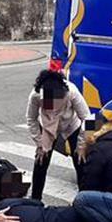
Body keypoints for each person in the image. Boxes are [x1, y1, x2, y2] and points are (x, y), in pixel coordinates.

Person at [27, 68, 90, 200]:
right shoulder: (36, 95)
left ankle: (85, 199)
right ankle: (35, 200)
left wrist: (82, 145)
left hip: (71, 124)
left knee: (80, 160)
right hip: (48, 127)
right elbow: (31, 119)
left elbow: (89, 119)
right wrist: (39, 143)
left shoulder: (71, 92)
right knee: (41, 161)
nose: (53, 107)